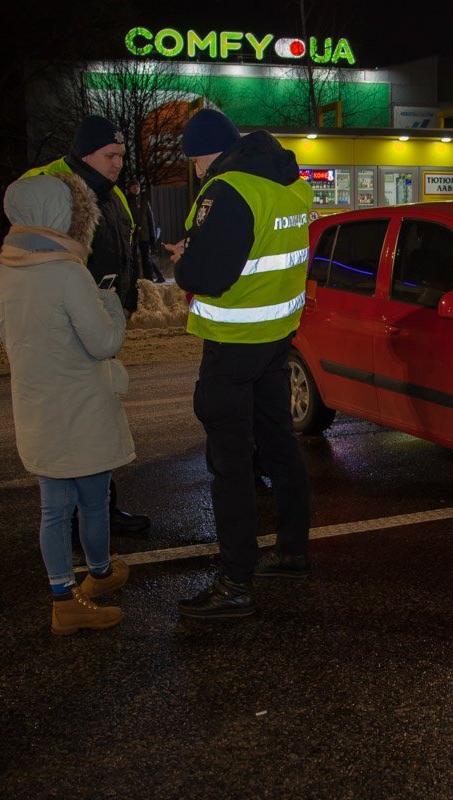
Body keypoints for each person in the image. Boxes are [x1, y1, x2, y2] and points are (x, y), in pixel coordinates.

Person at [166, 108, 313, 620]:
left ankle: (235, 583)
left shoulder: (227, 189)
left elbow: (207, 274)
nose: (198, 171)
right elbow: (264, 251)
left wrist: (182, 259)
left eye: (196, 162)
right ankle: (293, 549)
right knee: (278, 443)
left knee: (229, 466)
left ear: (205, 153)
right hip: (276, 337)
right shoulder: (290, 182)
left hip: (233, 341)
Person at [0, 172, 135, 635]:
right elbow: (103, 342)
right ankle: (89, 583)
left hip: (35, 407)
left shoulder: (4, 274)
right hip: (81, 408)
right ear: (59, 215)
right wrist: (111, 305)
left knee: (54, 506)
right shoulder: (69, 273)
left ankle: (69, 588)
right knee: (92, 499)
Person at [21, 115, 150, 537]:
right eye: (110, 156)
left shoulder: (110, 194)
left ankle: (99, 509)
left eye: (121, 156)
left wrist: (125, 302)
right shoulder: (57, 190)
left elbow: (124, 249)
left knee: (99, 415)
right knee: (78, 419)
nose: (117, 164)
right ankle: (79, 517)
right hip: (72, 319)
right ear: (84, 153)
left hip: (102, 314)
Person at [127, 181, 165, 283]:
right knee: (134, 258)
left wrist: (152, 235)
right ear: (130, 188)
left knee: (146, 258)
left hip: (144, 235)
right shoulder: (127, 201)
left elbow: (150, 218)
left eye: (138, 186)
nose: (136, 188)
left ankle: (149, 280)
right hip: (133, 235)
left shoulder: (144, 201)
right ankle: (136, 280)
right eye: (134, 186)